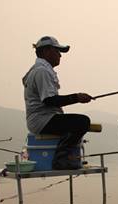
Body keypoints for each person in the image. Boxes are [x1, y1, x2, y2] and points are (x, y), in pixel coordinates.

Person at [22, 36, 94, 170]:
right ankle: (61, 159)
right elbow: (50, 101)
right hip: (42, 120)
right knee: (82, 121)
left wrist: (76, 98)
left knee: (77, 122)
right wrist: (77, 97)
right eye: (57, 51)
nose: (60, 55)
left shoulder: (40, 69)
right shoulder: (42, 71)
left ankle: (66, 157)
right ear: (46, 51)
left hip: (41, 119)